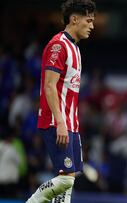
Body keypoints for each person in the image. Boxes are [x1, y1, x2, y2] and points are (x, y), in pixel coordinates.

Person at [26, 0, 96, 202]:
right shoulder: (58, 45)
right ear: (74, 19)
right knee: (65, 180)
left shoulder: (75, 48)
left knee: (69, 179)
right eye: (89, 20)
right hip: (57, 122)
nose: (92, 26)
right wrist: (60, 122)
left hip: (70, 124)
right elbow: (49, 86)